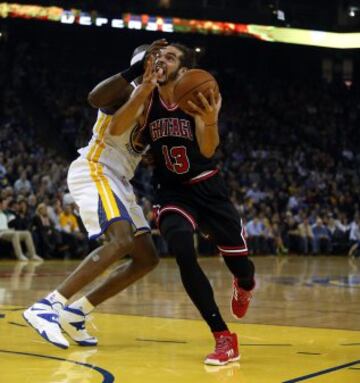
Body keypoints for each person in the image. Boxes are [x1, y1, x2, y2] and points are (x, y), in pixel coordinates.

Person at [109, 43, 255, 366]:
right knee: (182, 252)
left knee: (242, 266)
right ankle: (223, 337)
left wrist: (211, 119)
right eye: (160, 56)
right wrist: (142, 89)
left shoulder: (200, 95)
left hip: (208, 189)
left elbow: (207, 149)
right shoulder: (147, 100)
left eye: (170, 57)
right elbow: (115, 128)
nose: (162, 60)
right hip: (172, 192)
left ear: (185, 70)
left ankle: (245, 284)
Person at [23, 40, 168, 349]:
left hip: (121, 180)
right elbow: (94, 97)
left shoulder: (156, 109)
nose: (160, 70)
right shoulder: (125, 92)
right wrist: (133, 72)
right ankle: (48, 305)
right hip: (95, 169)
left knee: (146, 258)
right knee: (121, 240)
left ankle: (77, 312)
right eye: (154, 64)